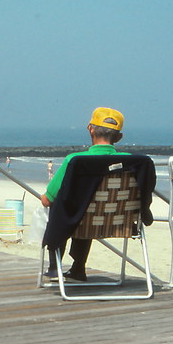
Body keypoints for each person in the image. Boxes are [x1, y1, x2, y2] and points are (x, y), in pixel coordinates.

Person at [41, 107, 127, 282]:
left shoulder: (76, 160)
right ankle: (78, 267)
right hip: (117, 221)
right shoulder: (131, 161)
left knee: (68, 209)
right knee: (87, 211)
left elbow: (47, 199)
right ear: (119, 137)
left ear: (91, 129)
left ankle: (54, 267)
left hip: (78, 221)